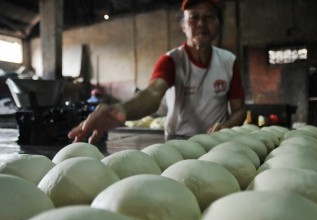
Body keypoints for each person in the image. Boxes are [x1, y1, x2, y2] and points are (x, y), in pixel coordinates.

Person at [68, 0, 246, 144]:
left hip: (216, 143)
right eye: (193, 17)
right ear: (183, 25)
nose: (201, 23)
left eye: (209, 17)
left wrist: (226, 126)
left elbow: (239, 110)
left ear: (218, 24)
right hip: (179, 143)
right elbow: (152, 94)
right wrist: (120, 109)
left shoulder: (228, 61)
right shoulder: (171, 60)